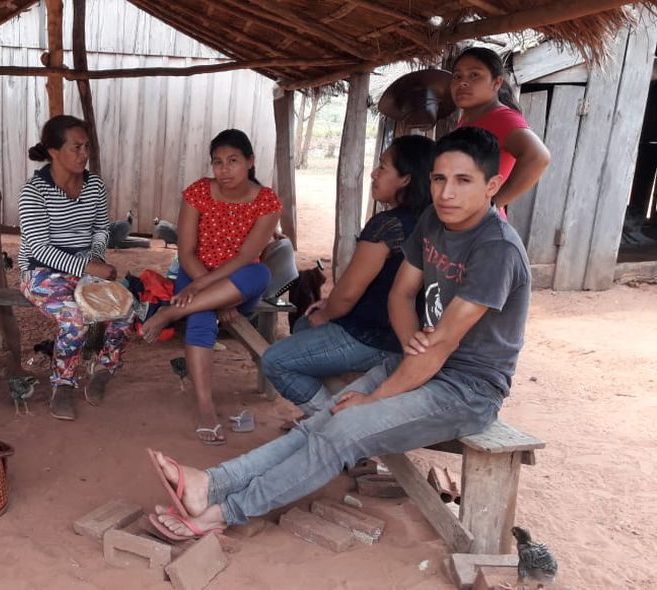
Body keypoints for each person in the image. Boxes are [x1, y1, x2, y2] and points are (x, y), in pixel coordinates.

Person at [146, 127, 531, 540]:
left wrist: (375, 397)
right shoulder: (433, 223)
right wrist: (410, 341)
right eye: (439, 179)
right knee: (327, 418)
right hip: (416, 362)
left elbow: (442, 346)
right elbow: (401, 295)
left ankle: (225, 512)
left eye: (463, 181)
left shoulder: (496, 250)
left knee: (344, 427)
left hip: (468, 389)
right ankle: (212, 483)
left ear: (493, 185)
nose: (446, 193)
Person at [261, 135, 435, 416]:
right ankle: (332, 414)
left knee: (275, 360)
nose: (374, 174)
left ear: (405, 179)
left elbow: (350, 293)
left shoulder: (387, 226)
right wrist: (327, 307)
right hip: (409, 339)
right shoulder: (433, 224)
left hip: (374, 339)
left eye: (383, 167)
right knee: (305, 327)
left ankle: (334, 426)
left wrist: (327, 313)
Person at [140, 129, 282, 445]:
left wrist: (208, 289)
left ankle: (169, 314)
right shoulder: (198, 193)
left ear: (250, 161)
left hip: (238, 279)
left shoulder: (267, 201)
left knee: (260, 275)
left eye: (233, 161)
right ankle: (206, 407)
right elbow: (186, 252)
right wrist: (211, 294)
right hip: (194, 271)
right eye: (217, 162)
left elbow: (247, 256)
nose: (224, 170)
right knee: (203, 319)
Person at [18, 115, 130, 421]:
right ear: (53, 152)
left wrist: (94, 262)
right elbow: (39, 249)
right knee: (75, 319)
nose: (84, 153)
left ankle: (104, 368)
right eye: (76, 147)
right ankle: (63, 384)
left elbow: (100, 230)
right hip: (40, 271)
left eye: (86, 146)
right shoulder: (34, 192)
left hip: (85, 266)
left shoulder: (94, 185)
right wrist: (87, 266)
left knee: (125, 309)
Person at [451, 46, 550, 212]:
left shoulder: (503, 118)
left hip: (481, 226)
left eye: (474, 75)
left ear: (496, 83)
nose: (463, 82)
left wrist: (494, 203)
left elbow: (538, 157)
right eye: (457, 76)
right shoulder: (470, 117)